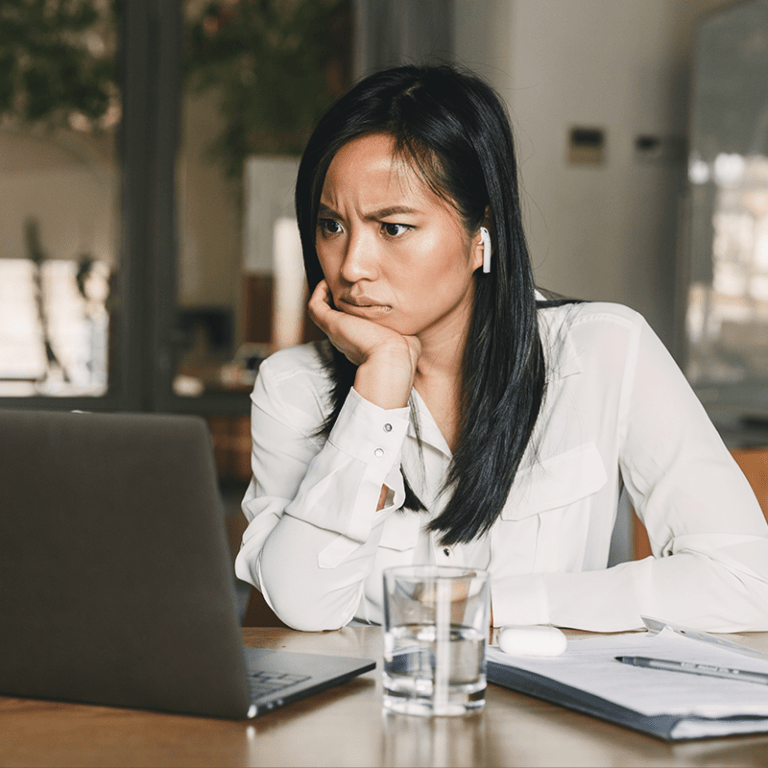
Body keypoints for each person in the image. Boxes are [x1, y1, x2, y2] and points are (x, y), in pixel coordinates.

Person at [234, 64, 768, 633]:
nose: (351, 266)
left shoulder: (604, 350)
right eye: (331, 225)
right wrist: (380, 388)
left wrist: (488, 608)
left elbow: (745, 580)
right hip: (368, 717)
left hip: (544, 715)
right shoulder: (294, 385)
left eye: (391, 227)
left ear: (480, 233)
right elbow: (300, 604)